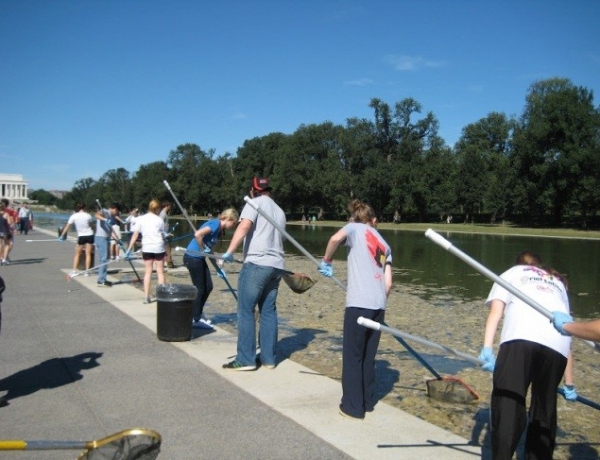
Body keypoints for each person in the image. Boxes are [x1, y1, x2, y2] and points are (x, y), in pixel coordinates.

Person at [478, 250, 571, 459]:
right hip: (558, 347)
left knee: (509, 401)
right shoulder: (556, 282)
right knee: (544, 409)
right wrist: (570, 382)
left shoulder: (511, 273)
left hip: (521, 338)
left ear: (517, 263)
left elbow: (496, 312)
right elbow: (568, 329)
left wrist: (487, 348)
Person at [318, 199, 392, 420]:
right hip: (378, 306)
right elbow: (389, 283)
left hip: (358, 304)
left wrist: (327, 260)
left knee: (353, 356)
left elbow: (335, 238)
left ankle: (352, 407)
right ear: (374, 221)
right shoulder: (385, 244)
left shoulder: (352, 227)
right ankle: (367, 402)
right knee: (368, 358)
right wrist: (377, 299)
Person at [220, 177, 286, 371]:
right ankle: (268, 359)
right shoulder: (280, 211)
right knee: (268, 311)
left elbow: (244, 227)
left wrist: (229, 252)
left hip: (257, 263)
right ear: (269, 191)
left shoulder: (253, 203)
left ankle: (246, 359)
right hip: (276, 266)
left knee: (246, 310)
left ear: (253, 190)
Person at [183, 208, 239, 328]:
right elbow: (198, 234)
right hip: (192, 257)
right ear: (228, 219)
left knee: (208, 287)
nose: (233, 226)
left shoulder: (219, 230)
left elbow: (210, 251)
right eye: (233, 223)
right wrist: (203, 248)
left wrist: (218, 268)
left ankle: (198, 313)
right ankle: (195, 319)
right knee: (200, 288)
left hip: (199, 258)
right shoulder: (214, 224)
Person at [125, 199, 167, 304]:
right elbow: (162, 234)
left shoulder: (140, 219)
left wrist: (129, 249)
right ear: (157, 208)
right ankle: (161, 296)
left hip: (147, 248)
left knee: (148, 272)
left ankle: (146, 296)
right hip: (158, 247)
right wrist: (165, 237)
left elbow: (135, 235)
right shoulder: (159, 220)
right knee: (160, 272)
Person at [58, 203, 94, 276]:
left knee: (77, 254)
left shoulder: (74, 216)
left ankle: (74, 270)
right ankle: (86, 272)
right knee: (88, 254)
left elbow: (67, 226)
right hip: (90, 235)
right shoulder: (88, 216)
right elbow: (91, 226)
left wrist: (62, 235)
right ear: (84, 208)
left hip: (81, 236)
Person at [94, 202, 121, 287]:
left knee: (106, 259)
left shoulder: (109, 216)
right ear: (115, 209)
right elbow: (97, 215)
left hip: (105, 238)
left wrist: (117, 239)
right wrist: (105, 219)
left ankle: (103, 278)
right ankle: (101, 280)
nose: (117, 214)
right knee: (103, 259)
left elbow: (110, 230)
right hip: (101, 238)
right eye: (117, 212)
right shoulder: (104, 211)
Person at [159, 201, 175, 269]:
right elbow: (160, 225)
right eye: (169, 206)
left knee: (167, 249)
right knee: (167, 249)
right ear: (166, 206)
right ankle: (169, 264)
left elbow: (165, 224)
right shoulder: (163, 214)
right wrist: (165, 234)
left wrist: (170, 228)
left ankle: (168, 263)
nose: (170, 207)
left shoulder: (164, 213)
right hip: (164, 235)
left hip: (166, 234)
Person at [1, 199, 16, 264]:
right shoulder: (8, 212)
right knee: (9, 244)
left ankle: (1, 257)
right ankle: (5, 257)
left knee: (0, 244)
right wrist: (14, 229)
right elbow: (11, 222)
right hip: (6, 231)